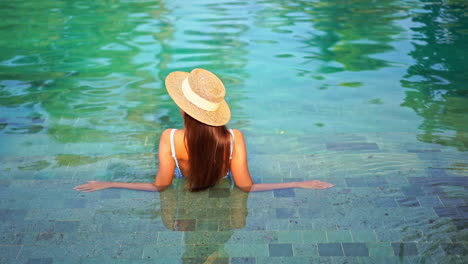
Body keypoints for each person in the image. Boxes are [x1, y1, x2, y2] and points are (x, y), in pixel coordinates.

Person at [74, 68, 333, 193]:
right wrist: (299, 182)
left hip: (184, 182)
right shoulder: (234, 138)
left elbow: (160, 186)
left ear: (184, 109)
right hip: (220, 180)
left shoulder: (170, 138)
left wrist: (108, 183)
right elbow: (245, 187)